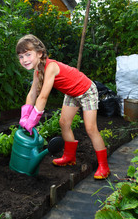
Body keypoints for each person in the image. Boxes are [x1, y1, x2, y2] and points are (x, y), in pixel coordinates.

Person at [16, 34, 110, 179]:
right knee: (64, 123)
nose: (24, 60)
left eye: (28, 54)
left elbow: (43, 96)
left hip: (86, 90)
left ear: (40, 53)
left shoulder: (51, 67)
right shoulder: (37, 71)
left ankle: (104, 166)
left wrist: (33, 119)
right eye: (21, 57)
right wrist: (25, 115)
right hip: (71, 93)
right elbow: (32, 93)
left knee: (91, 128)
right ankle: (69, 157)